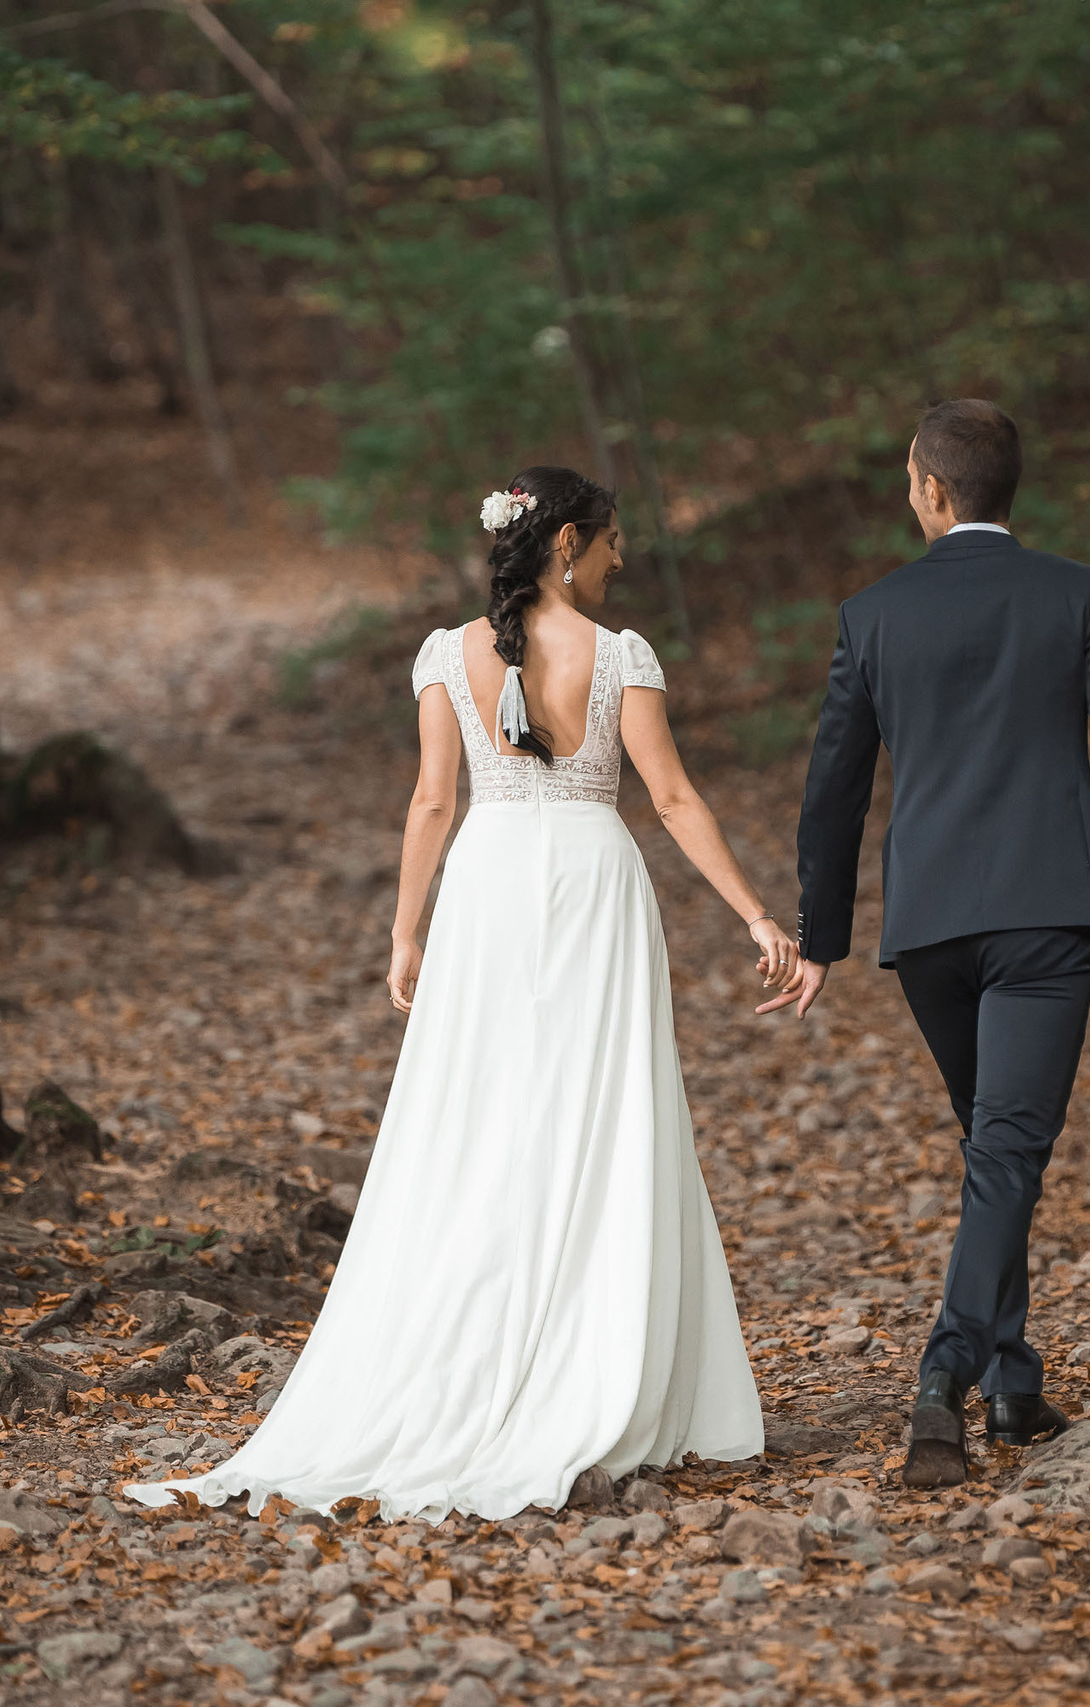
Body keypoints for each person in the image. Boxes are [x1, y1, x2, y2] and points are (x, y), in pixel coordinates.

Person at [129, 466, 778, 1523]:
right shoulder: (619, 657)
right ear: (568, 542)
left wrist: (405, 933)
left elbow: (434, 800)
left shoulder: (446, 653)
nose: (622, 563)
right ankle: (584, 1360)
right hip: (590, 886)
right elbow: (669, 795)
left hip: (483, 885)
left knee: (480, 1120)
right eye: (612, 544)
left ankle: (472, 1351)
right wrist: (754, 915)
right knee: (596, 1115)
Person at [778, 400, 1090, 1489]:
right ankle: (944, 1375)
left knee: (994, 1147)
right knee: (1008, 1151)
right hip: (1044, 912)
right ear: (1002, 490)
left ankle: (1013, 1384)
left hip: (929, 922)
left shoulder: (871, 615)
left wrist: (820, 936)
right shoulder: (1072, 591)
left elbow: (830, 790)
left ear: (930, 489)